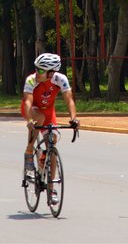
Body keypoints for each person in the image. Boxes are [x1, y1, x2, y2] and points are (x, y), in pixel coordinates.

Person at [21, 53, 78, 205]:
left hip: (48, 111)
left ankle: (51, 188)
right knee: (38, 118)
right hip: (32, 109)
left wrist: (73, 118)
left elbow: (69, 99)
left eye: (41, 71)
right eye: (36, 69)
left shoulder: (60, 79)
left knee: (51, 142)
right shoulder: (32, 80)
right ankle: (29, 151)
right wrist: (29, 119)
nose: (37, 73)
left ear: (51, 73)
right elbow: (27, 101)